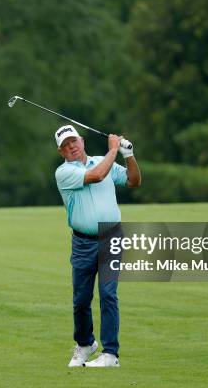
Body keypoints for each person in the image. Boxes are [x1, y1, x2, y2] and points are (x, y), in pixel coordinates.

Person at [54, 124, 141, 368]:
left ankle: (110, 354)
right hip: (82, 242)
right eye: (65, 145)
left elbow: (133, 181)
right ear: (61, 152)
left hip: (111, 237)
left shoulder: (105, 161)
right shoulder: (64, 172)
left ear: (82, 141)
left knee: (108, 294)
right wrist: (113, 149)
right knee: (81, 299)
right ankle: (85, 344)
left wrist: (129, 154)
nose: (71, 146)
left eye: (73, 141)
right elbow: (97, 176)